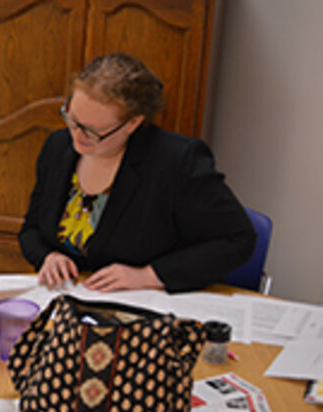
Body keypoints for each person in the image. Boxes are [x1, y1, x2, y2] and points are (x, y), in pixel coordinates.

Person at [18, 53, 256, 293]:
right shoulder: (58, 147)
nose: (77, 136)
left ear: (133, 123)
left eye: (94, 131)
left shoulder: (176, 162)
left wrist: (150, 275)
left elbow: (238, 240)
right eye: (73, 119)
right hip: (69, 299)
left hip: (144, 305)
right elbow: (32, 229)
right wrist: (47, 256)